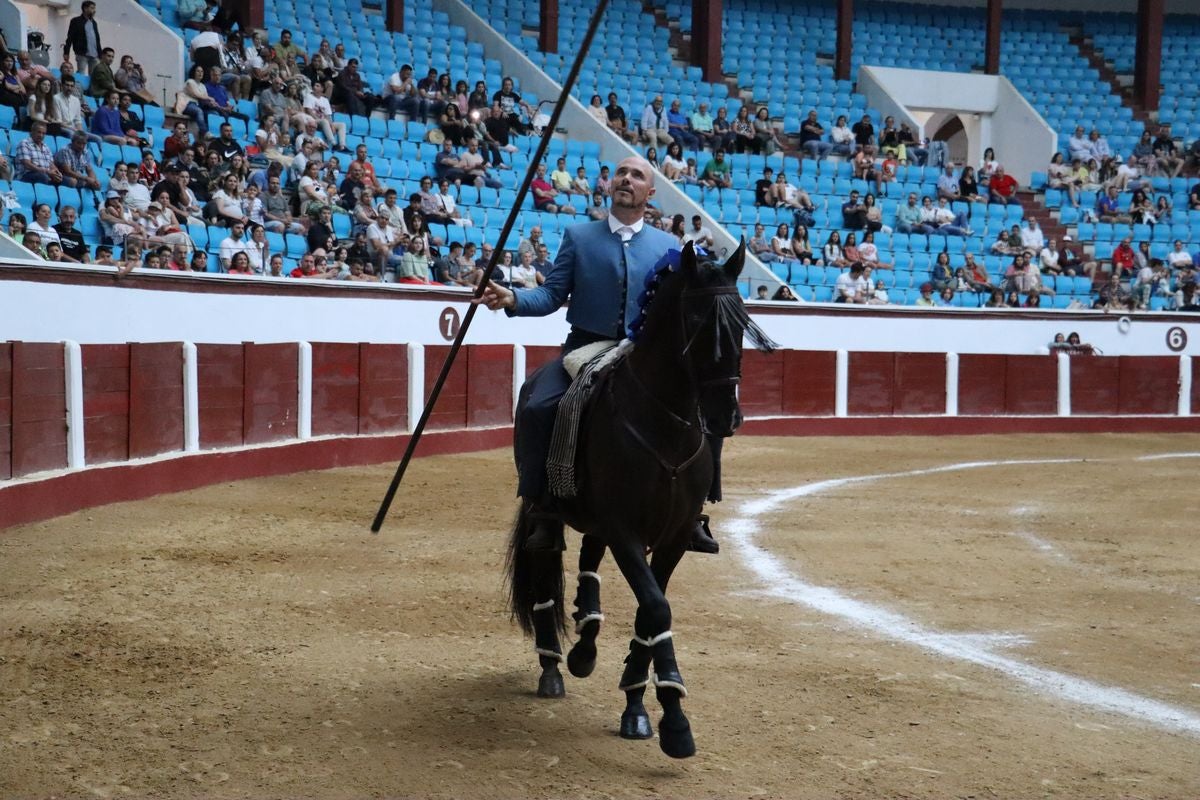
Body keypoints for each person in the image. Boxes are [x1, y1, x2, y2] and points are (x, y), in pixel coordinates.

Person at [475, 155, 719, 554]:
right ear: (609, 185)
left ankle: (693, 514)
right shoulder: (579, 236)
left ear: (649, 193)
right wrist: (513, 298)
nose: (626, 179)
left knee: (706, 410)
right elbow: (551, 294)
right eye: (621, 172)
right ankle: (543, 510)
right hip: (585, 349)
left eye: (636, 175)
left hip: (643, 354)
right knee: (537, 406)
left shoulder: (668, 246)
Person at [63, 1, 102, 76]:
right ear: (85, 8)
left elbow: (97, 39)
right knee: (81, 74)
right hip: (82, 53)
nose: (94, 10)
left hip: (94, 54)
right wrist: (66, 52)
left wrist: (100, 55)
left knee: (93, 76)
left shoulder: (94, 23)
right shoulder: (76, 21)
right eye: (92, 8)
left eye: (94, 8)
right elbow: (70, 37)